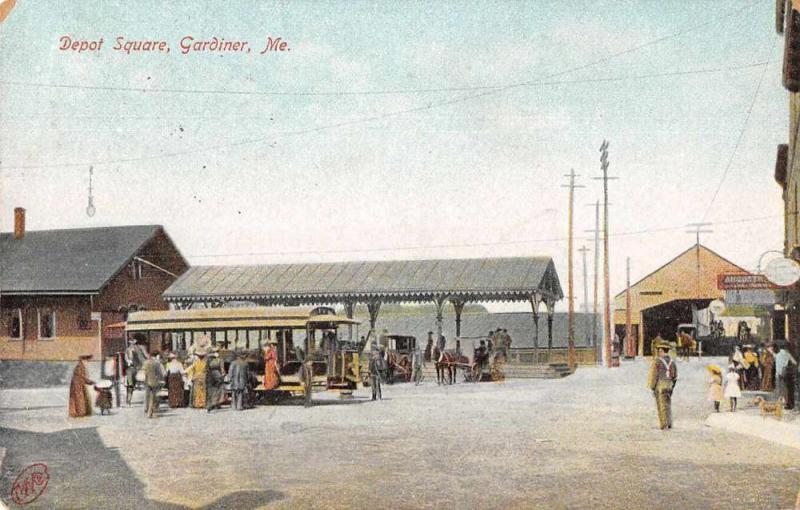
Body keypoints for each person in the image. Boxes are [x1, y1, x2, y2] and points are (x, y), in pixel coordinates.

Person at [647, 342, 677, 430]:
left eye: (659, 351)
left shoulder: (657, 361)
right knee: (668, 404)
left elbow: (653, 375)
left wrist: (652, 387)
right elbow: (675, 376)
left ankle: (664, 424)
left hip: (660, 386)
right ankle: (670, 423)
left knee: (661, 406)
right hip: (669, 385)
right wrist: (672, 386)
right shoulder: (672, 362)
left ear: (661, 351)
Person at [142, 351, 165, 418]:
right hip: (155, 382)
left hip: (147, 381)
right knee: (155, 397)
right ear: (157, 356)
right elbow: (160, 373)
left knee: (147, 396)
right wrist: (162, 380)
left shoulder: (145, 363)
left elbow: (144, 372)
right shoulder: (157, 363)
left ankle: (147, 409)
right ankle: (152, 412)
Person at [775, 343, 798, 410]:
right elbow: (795, 363)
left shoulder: (777, 355)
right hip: (786, 373)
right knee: (788, 389)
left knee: (781, 390)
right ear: (786, 348)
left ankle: (782, 404)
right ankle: (789, 405)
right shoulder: (788, 354)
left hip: (778, 374)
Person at [124, 337, 145, 406]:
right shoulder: (127, 350)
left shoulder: (139, 349)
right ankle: (128, 399)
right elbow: (126, 358)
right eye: (131, 343)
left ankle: (129, 398)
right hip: (130, 368)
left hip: (138, 368)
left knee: (135, 384)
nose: (133, 344)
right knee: (130, 385)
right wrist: (128, 361)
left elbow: (141, 358)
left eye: (134, 343)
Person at [206, 347, 226, 413]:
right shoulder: (220, 360)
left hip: (209, 376)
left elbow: (206, 369)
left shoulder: (208, 360)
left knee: (210, 391)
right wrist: (223, 375)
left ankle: (209, 404)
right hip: (217, 375)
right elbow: (222, 369)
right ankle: (215, 404)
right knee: (218, 390)